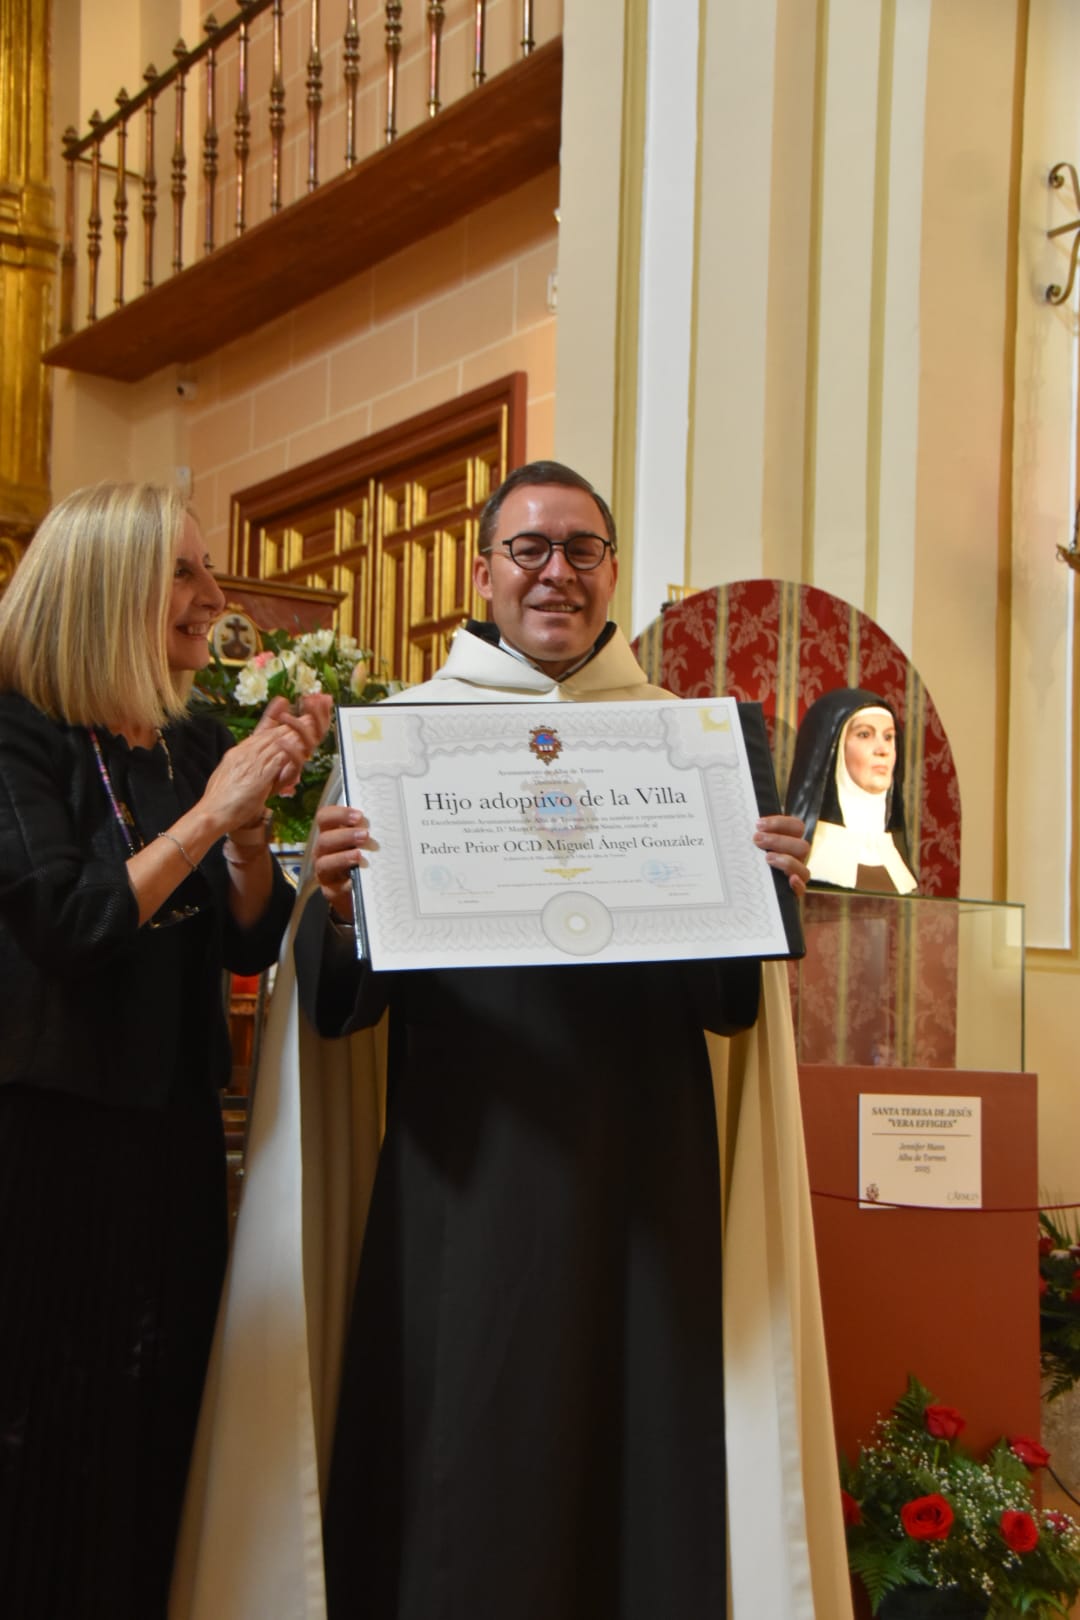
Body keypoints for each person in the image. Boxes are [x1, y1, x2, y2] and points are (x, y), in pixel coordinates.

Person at [289, 462, 844, 1619]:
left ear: (612, 573)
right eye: (530, 550)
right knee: (469, 1452)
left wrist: (766, 897)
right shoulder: (402, 742)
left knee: (641, 1454)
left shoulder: (687, 742)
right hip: (472, 1159)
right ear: (482, 571)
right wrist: (339, 912)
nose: (557, 574)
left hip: (651, 1162)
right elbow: (347, 1007)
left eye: (582, 551)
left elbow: (729, 1006)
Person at [0, 482, 330, 1619]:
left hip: (174, 1122)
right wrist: (211, 812)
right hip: (48, 1136)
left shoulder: (187, 733)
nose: (214, 597)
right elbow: (73, 921)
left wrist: (248, 834)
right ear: (110, 589)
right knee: (48, 1426)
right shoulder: (15, 728)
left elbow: (243, 937)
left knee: (159, 1421)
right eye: (187, 573)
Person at [784, 687, 918, 893]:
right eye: (864, 734)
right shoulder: (815, 858)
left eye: (889, 737)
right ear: (835, 746)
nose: (882, 750)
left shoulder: (893, 854)